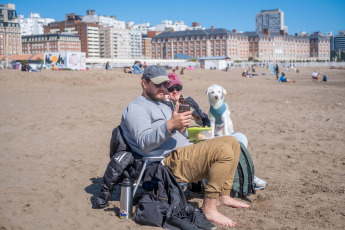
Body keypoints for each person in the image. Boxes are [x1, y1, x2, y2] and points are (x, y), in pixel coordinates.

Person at [120, 65, 250, 227]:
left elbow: (184, 134)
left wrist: (209, 134)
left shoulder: (163, 105)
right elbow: (145, 143)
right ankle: (209, 208)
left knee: (231, 141)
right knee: (222, 151)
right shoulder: (136, 108)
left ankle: (223, 196)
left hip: (185, 153)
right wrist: (170, 125)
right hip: (166, 162)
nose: (163, 88)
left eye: (165, 84)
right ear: (144, 83)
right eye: (158, 84)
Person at [163, 72, 267, 189]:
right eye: (171, 88)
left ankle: (242, 173)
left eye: (178, 87)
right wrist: (168, 102)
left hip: (206, 133)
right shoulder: (165, 106)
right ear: (164, 90)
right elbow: (173, 131)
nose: (175, 91)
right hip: (191, 140)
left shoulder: (187, 101)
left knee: (240, 137)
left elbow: (205, 117)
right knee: (233, 141)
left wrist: (206, 127)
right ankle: (243, 177)